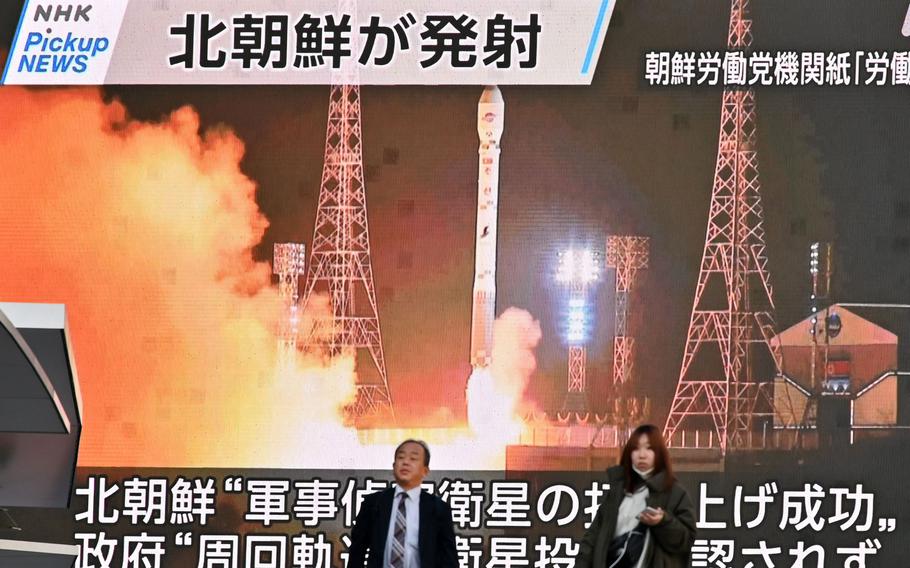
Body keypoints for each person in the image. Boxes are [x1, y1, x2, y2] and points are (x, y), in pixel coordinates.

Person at [577, 424, 696, 568]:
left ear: (659, 454)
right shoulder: (617, 492)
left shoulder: (675, 493)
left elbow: (686, 540)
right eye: (636, 448)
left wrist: (663, 522)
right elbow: (592, 539)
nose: (642, 455)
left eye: (649, 448)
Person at [347, 439, 458, 568]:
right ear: (394, 466)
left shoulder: (438, 508)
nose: (405, 462)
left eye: (413, 458)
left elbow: (449, 558)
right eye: (401, 457)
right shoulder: (374, 503)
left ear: (425, 471)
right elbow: (357, 550)